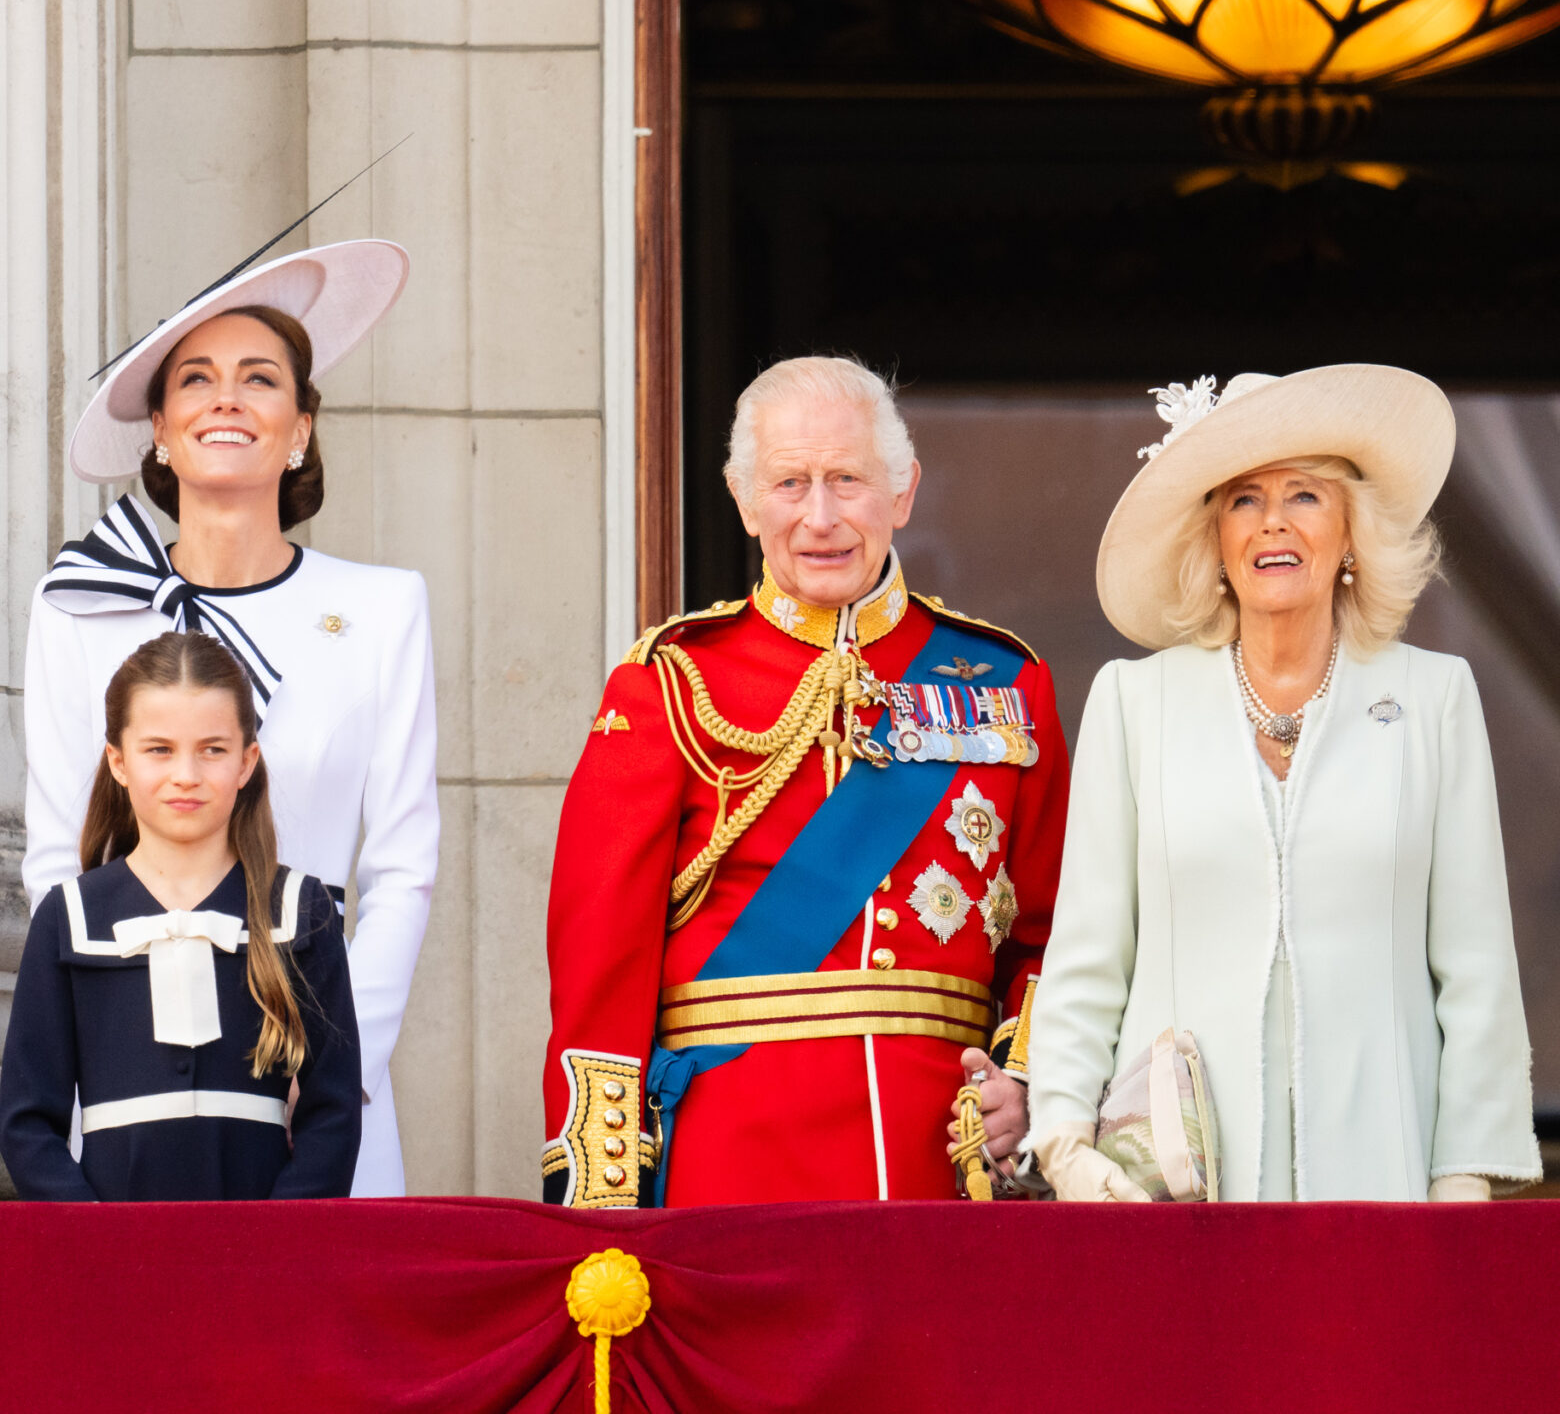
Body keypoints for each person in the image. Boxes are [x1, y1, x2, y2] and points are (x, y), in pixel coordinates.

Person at [542, 356, 1069, 1206]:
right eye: (789, 483)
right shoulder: (671, 683)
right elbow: (599, 964)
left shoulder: (1005, 683)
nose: (820, 517)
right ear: (744, 499)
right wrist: (602, 1202)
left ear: (902, 493)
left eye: (848, 481)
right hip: (728, 1161)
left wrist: (1028, 1084)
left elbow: (1053, 939)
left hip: (937, 1164)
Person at [1026, 367, 1539, 1202]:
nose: (1272, 522)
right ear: (1216, 541)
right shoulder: (1134, 702)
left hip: (1385, 1185)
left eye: (1304, 495)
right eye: (1242, 499)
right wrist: (1062, 1138)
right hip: (1175, 1196)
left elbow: (1477, 969)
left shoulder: (1434, 698)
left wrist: (1462, 1181)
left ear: (1350, 534)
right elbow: (1088, 956)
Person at [22, 239, 432, 1196]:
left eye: (260, 379)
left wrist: (337, 1066)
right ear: (158, 429)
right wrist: (102, 1046)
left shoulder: (383, 607)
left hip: (319, 1052)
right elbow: (55, 861)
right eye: (196, 380)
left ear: (299, 427)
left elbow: (403, 868)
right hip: (129, 1059)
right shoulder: (80, 606)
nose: (227, 399)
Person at [0, 632, 360, 1200]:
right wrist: (91, 1239)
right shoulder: (67, 917)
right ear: (118, 761)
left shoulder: (299, 910)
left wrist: (280, 1243)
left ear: (247, 762)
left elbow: (333, 1111)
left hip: (262, 1260)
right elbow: (26, 1125)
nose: (186, 774)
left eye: (213, 749)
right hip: (110, 1261)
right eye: (159, 749)